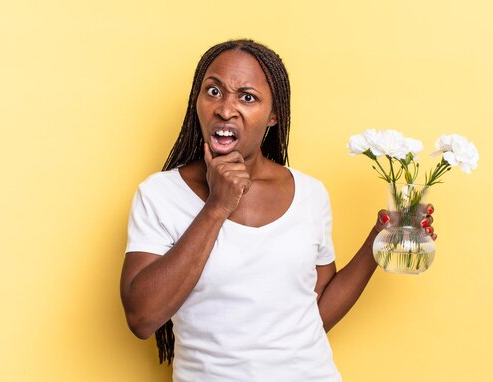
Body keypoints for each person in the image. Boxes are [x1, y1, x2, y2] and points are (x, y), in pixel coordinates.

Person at [120, 39, 436, 381]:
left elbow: (314, 312)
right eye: (213, 91)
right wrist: (218, 205)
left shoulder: (309, 194)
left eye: (247, 97)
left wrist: (380, 238)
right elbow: (143, 317)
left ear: (273, 115)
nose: (225, 109)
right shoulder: (160, 195)